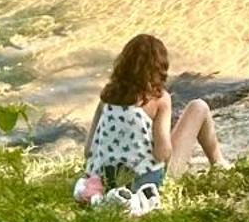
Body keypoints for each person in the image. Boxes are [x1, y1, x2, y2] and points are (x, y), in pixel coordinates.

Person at [82, 33, 223, 193]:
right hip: (145, 185)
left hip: (102, 183)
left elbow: (88, 150)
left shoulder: (106, 97)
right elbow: (161, 153)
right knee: (199, 107)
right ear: (159, 68)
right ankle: (219, 163)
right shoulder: (160, 99)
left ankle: (219, 164)